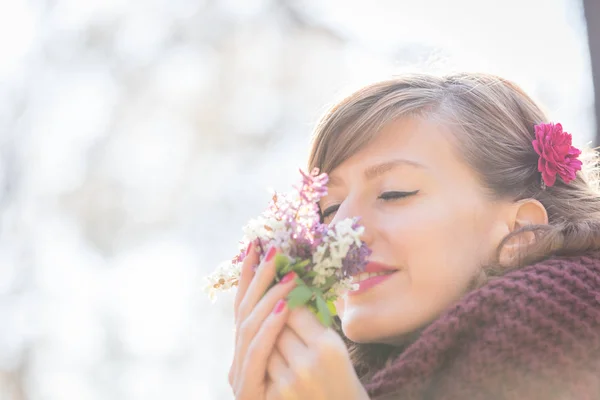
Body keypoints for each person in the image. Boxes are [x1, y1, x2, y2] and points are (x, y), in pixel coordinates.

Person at [227, 73, 600, 399]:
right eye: (328, 209)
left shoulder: (577, 346)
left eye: (394, 193)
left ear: (521, 231)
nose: (341, 230)